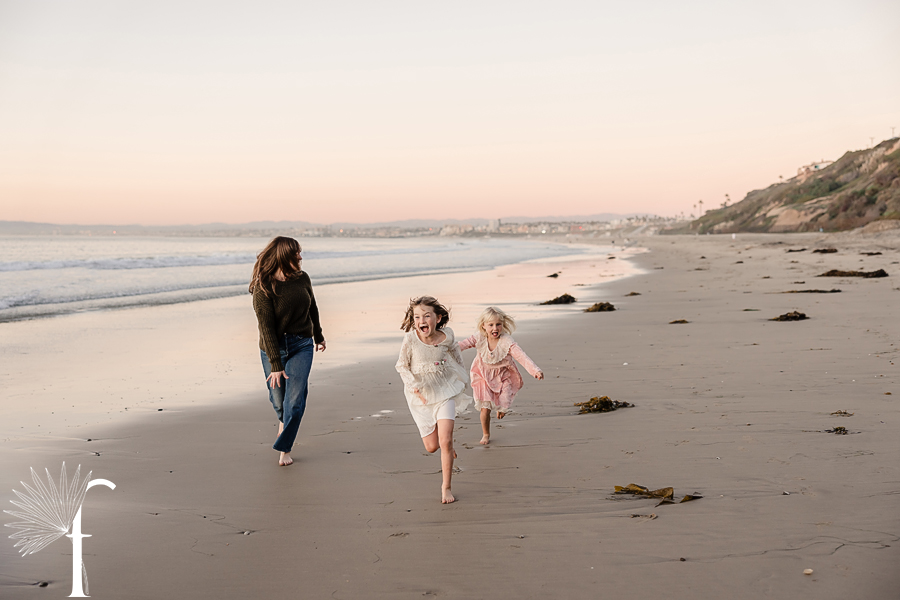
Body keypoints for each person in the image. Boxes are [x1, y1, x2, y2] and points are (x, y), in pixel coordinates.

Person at [250, 236, 326, 466]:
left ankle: (285, 448)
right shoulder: (263, 286)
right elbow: (266, 328)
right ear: (284, 256)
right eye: (296, 254)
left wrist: (319, 335)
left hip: (301, 344)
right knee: (278, 400)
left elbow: (312, 307)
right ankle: (283, 422)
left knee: (294, 402)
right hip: (273, 348)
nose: (301, 257)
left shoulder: (303, 279)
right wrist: (275, 364)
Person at [395, 296, 471, 503]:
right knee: (432, 446)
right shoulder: (410, 339)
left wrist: (463, 379)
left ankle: (446, 487)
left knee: (445, 440)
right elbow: (401, 366)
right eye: (417, 316)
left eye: (426, 316)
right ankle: (447, 446)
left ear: (437, 318)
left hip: (445, 391)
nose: (422, 320)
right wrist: (414, 387)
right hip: (420, 396)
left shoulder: (447, 336)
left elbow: (457, 357)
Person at [458, 307, 543, 445]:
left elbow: (522, 357)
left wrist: (535, 371)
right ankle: (486, 434)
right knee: (485, 408)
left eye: (498, 324)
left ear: (503, 324)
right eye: (490, 325)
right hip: (482, 376)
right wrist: (445, 349)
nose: (495, 328)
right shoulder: (479, 337)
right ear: (483, 326)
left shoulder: (507, 341)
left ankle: (502, 408)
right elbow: (461, 345)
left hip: (503, 376)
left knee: (503, 405)